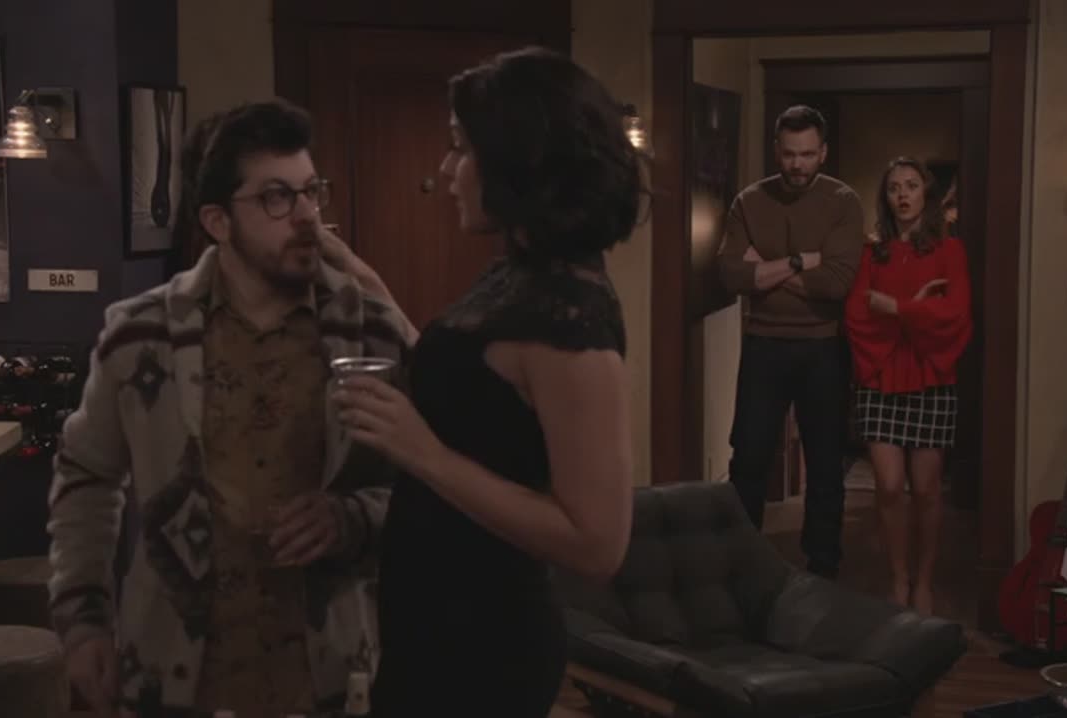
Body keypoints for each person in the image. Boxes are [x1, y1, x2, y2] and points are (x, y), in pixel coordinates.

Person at [46, 99, 411, 717]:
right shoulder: (140, 335)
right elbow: (86, 476)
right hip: (174, 676)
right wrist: (82, 621)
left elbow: (429, 487)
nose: (308, 217)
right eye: (277, 198)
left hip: (329, 675)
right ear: (217, 221)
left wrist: (349, 518)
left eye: (311, 192)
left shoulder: (370, 333)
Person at [330, 46, 638, 717]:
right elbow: (478, 391)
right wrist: (365, 283)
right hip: (433, 621)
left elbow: (598, 544)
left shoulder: (570, 317)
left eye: (461, 148)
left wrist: (423, 454)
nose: (446, 169)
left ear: (517, 160)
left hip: (485, 643)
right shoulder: (522, 272)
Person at [715, 104, 865, 578]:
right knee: (749, 458)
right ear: (776, 150)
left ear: (823, 153)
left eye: (807, 154)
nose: (797, 164)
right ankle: (742, 564)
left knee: (825, 464)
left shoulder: (843, 202)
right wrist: (803, 261)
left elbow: (837, 283)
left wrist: (766, 270)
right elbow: (731, 275)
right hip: (764, 344)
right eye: (789, 154)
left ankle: (823, 568)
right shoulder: (749, 201)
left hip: (823, 346)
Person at [844, 157, 972, 614]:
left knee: (927, 490)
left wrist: (900, 309)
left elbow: (955, 314)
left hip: (930, 377)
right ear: (886, 197)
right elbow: (857, 315)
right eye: (894, 187)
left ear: (926, 194)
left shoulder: (948, 250)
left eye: (911, 186)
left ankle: (925, 581)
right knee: (889, 485)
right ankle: (898, 578)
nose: (902, 195)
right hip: (881, 378)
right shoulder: (871, 253)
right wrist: (918, 312)